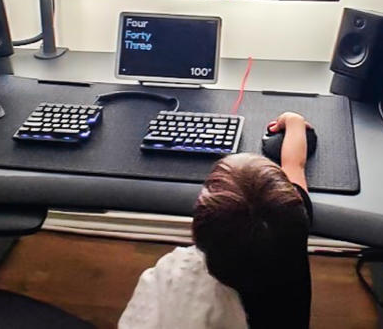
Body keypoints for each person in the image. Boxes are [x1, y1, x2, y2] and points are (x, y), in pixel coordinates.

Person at [119, 112, 314, 329]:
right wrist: (294, 121)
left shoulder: (173, 280)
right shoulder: (290, 229)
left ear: (196, 233)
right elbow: (294, 165)